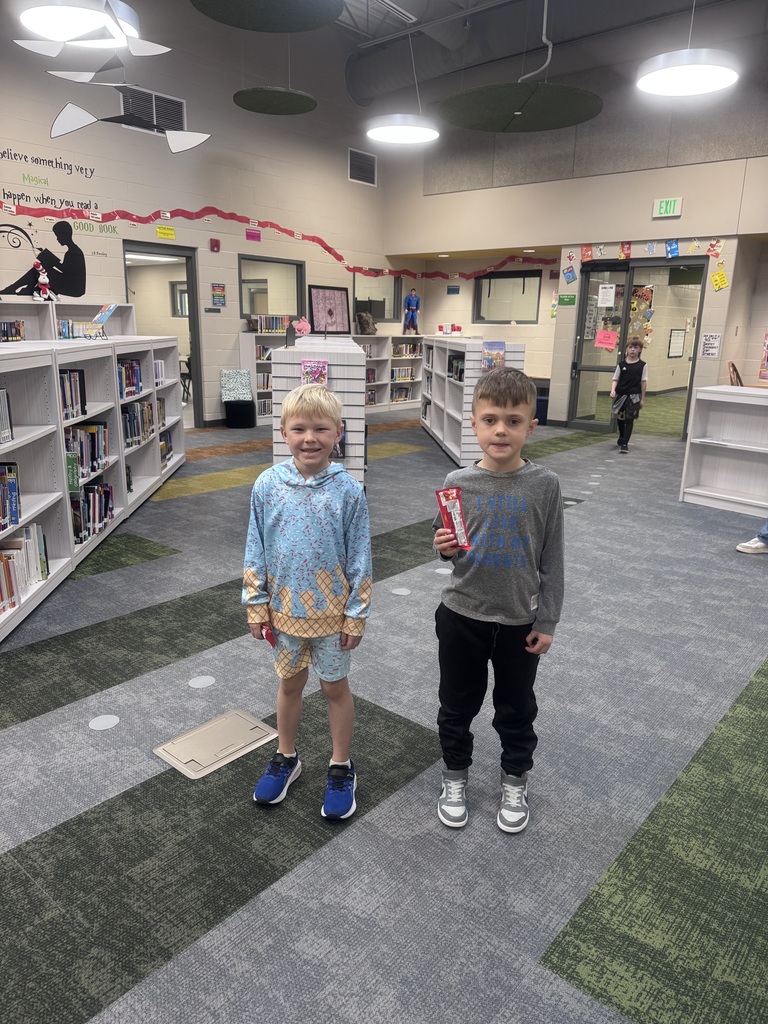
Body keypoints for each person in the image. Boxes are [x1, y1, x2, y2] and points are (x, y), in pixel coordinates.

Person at [432, 367, 565, 833]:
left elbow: (553, 560)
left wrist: (546, 621)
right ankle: (454, 775)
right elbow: (450, 545)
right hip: (461, 613)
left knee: (516, 707)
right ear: (474, 424)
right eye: (490, 419)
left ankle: (514, 779)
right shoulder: (458, 481)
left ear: (532, 425)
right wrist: (443, 546)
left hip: (518, 621)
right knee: (456, 703)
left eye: (513, 420)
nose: (501, 430)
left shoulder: (545, 485)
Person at [242, 382, 372, 819]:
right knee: (289, 685)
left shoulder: (349, 490)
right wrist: (255, 603)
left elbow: (360, 557)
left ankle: (340, 765)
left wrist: (356, 614)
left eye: (321, 428)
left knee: (335, 688)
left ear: (339, 432)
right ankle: (286, 756)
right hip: (282, 613)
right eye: (299, 428)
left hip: (332, 617)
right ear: (283, 432)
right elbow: (254, 547)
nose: (309, 438)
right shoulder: (267, 484)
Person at [1, 220, 86, 299]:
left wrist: (50, 259)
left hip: (74, 288)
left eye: (58, 236)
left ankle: (16, 287)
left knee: (41, 268)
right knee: (41, 267)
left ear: (65, 235)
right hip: (72, 285)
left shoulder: (74, 252)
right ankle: (25, 288)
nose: (57, 239)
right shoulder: (73, 251)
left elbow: (67, 272)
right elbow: (66, 271)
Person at [609, 339, 647, 453]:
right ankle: (621, 436)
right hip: (621, 394)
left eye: (635, 348)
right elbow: (615, 379)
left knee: (629, 419)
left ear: (639, 350)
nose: (632, 350)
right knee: (620, 418)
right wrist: (613, 390)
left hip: (634, 396)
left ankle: (625, 443)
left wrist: (642, 399)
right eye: (630, 347)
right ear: (627, 349)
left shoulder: (642, 365)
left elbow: (643, 383)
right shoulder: (621, 365)